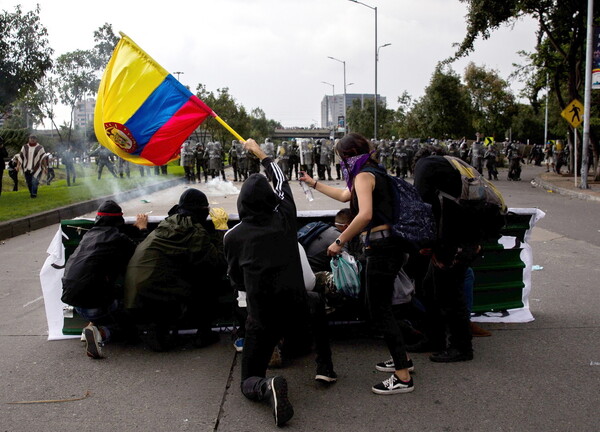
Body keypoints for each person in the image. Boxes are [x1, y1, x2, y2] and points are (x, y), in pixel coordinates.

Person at [224, 139, 335, 427]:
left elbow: (236, 280)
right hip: (298, 310)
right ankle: (325, 366)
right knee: (316, 301)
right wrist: (260, 153)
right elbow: (281, 178)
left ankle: (265, 386)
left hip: (263, 319)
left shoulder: (232, 237)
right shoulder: (285, 219)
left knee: (248, 378)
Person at [300, 132, 415, 395]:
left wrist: (339, 241)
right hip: (390, 246)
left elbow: (364, 214)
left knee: (379, 310)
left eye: (341, 158)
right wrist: (313, 183)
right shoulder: (373, 170)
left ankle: (403, 377)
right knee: (382, 307)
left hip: (382, 248)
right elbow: (345, 197)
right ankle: (403, 359)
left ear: (348, 155)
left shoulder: (364, 174)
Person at [124, 189, 227, 351]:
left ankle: (158, 330)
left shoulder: (166, 224)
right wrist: (221, 229)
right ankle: (203, 334)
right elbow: (218, 262)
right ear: (201, 211)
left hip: (131, 297)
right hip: (154, 297)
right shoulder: (194, 232)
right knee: (206, 281)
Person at [411, 147, 477, 362]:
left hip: (453, 242)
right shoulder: (454, 165)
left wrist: (422, 241)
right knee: (431, 288)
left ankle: (461, 348)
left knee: (450, 294)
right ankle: (434, 338)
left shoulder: (426, 165)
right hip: (464, 238)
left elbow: (421, 207)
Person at [61, 200, 148, 359]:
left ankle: (91, 325)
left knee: (102, 294)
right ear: (118, 221)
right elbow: (141, 253)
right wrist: (142, 229)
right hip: (94, 302)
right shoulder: (117, 238)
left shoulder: (88, 235)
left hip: (74, 302)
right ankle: (102, 332)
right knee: (129, 315)